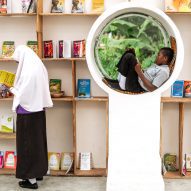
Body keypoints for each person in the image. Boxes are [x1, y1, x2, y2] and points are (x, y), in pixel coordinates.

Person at [9, 45, 53, 189]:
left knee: (26, 146)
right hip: (38, 111)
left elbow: (24, 94)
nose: (18, 64)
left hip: (27, 112)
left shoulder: (28, 71)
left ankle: (31, 181)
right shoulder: (38, 66)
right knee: (38, 143)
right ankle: (38, 172)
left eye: (18, 61)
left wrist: (11, 88)